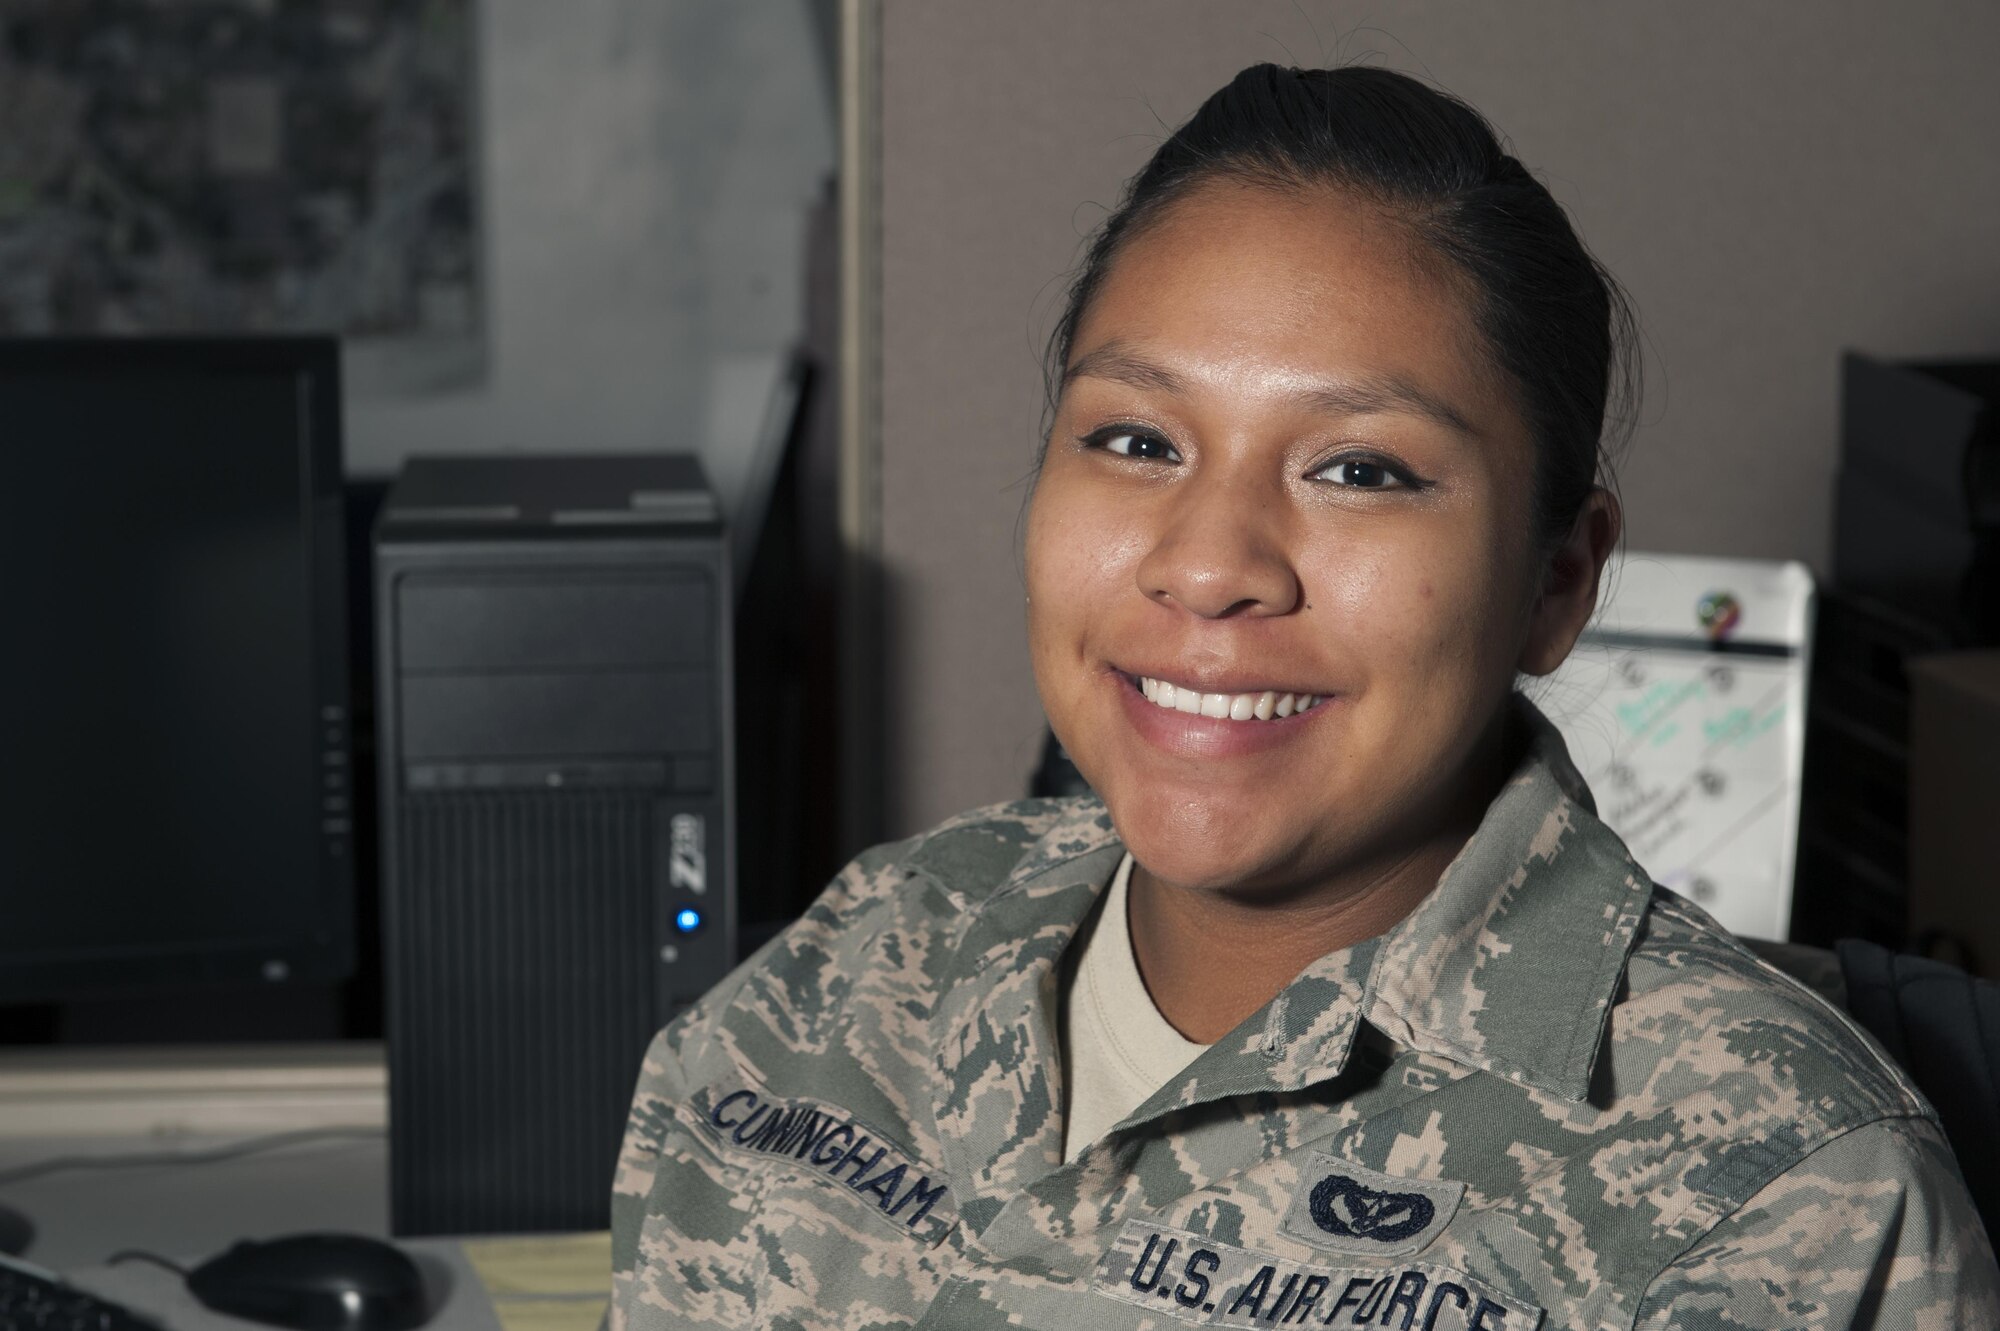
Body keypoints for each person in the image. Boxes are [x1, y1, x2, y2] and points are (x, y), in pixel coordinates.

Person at [609, 64, 2000, 1330]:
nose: (1208, 566)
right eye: (1137, 439)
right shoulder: (853, 968)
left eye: (1359, 469)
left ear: (1558, 582)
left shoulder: (1773, 1200)